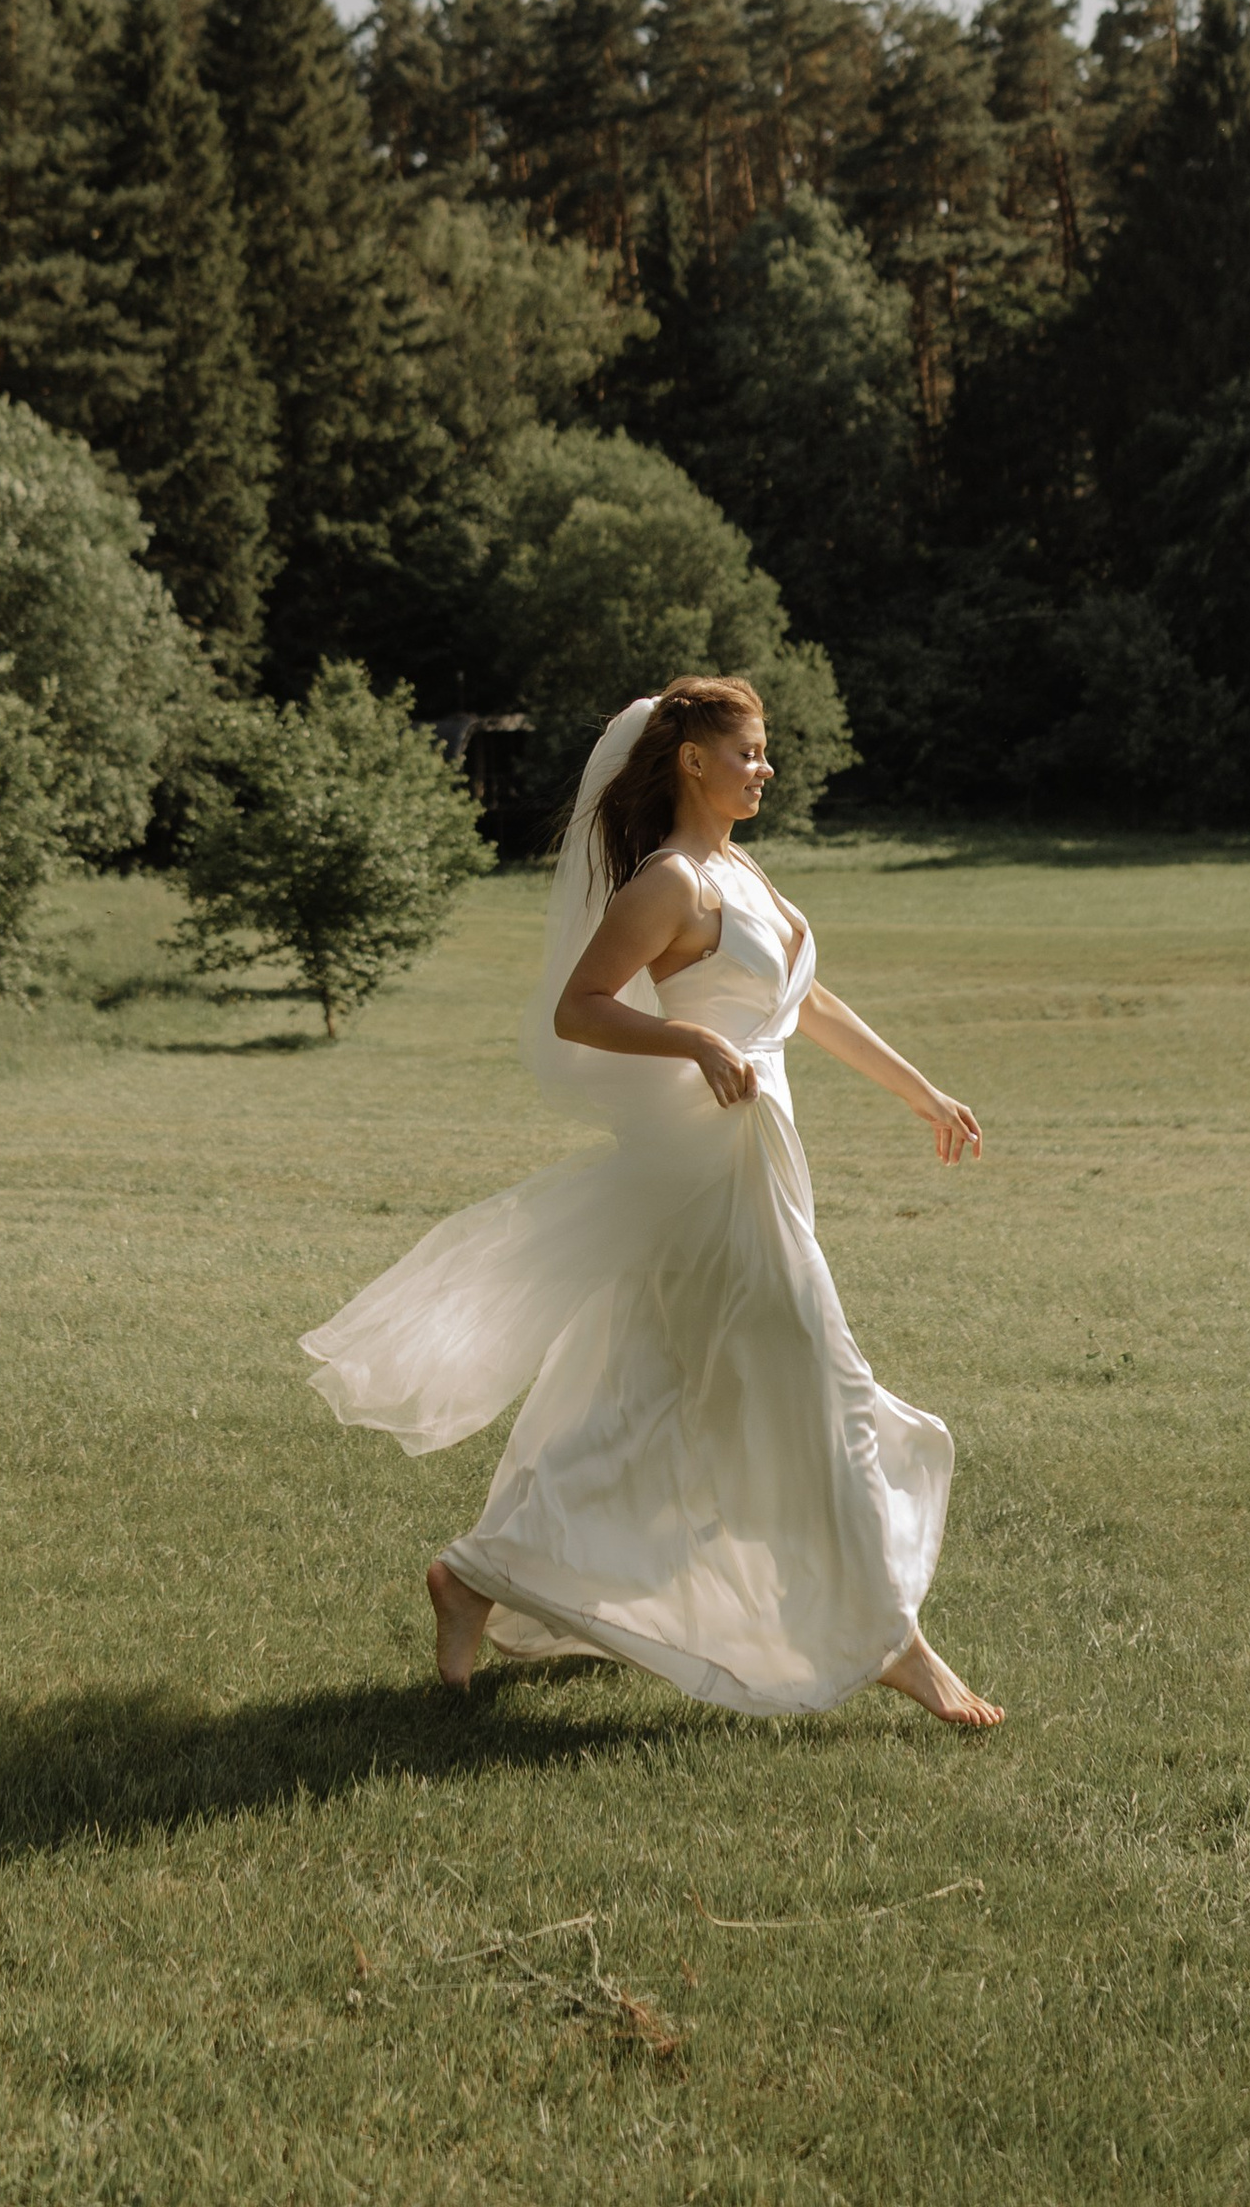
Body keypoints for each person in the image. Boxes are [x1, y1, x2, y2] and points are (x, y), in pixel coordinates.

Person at [300, 676, 1003, 1727]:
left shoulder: (742, 871)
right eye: (750, 751)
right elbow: (579, 1007)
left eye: (764, 752)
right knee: (827, 1388)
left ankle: (475, 1574)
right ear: (691, 759)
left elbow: (804, 1002)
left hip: (762, 1161)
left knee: (658, 1397)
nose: (764, 767)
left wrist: (922, 1091)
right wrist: (686, 1036)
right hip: (709, 1172)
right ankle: (895, 1643)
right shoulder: (669, 884)